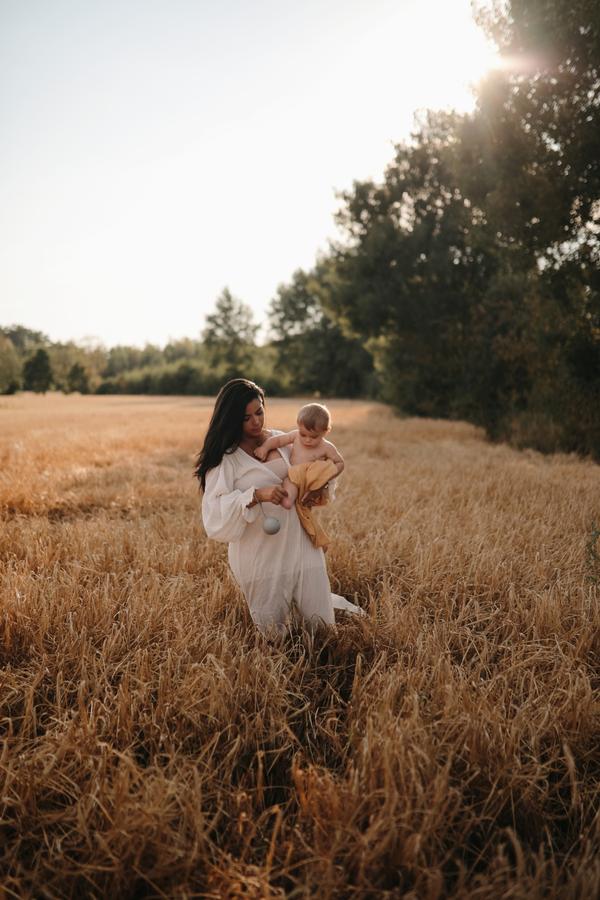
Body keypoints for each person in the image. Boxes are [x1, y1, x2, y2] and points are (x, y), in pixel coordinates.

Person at [195, 378, 364, 636]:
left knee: (320, 625)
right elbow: (214, 511)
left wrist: (316, 487)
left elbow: (310, 470)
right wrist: (257, 494)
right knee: (274, 632)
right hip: (261, 553)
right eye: (245, 417)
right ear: (230, 419)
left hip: (299, 541)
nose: (256, 422)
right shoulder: (226, 459)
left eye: (259, 412)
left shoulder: (281, 440)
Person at [253, 402, 344, 510]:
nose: (307, 439)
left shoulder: (327, 447)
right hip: (293, 478)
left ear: (325, 432)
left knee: (306, 504)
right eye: (303, 434)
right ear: (298, 426)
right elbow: (279, 440)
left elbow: (340, 462)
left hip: (312, 482)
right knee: (287, 502)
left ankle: (304, 505)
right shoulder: (295, 436)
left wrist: (328, 475)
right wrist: (264, 448)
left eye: (314, 437)